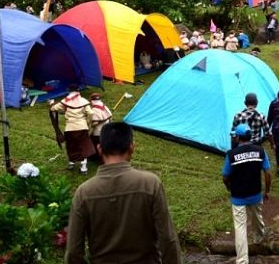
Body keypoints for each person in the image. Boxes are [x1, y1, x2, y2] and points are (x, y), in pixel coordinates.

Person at [65, 122, 182, 264]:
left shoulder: (84, 192)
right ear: (132, 147)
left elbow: (73, 252)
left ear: (100, 149)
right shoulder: (150, 184)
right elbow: (168, 240)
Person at [222, 123, 272, 264]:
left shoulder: (231, 155)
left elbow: (225, 177)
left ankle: (242, 260)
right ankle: (259, 237)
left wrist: (229, 188)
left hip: (238, 196)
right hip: (256, 193)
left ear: (238, 138)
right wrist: (267, 191)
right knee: (257, 216)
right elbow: (267, 173)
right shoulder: (260, 151)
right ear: (250, 136)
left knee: (240, 227)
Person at [50, 88, 94, 175]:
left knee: (71, 146)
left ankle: (72, 163)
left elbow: (54, 109)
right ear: (78, 91)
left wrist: (51, 104)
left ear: (69, 91)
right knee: (83, 146)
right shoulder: (83, 100)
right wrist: (87, 122)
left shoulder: (65, 100)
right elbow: (91, 113)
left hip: (70, 127)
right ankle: (83, 168)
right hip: (82, 127)